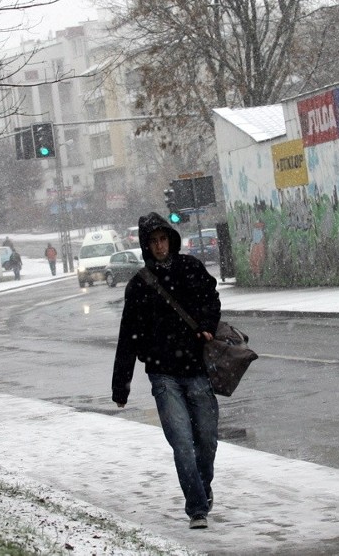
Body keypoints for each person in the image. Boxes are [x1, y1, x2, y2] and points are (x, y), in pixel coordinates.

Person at [111, 212, 221, 530]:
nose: (160, 246)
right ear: (147, 246)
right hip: (162, 374)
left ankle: (202, 485)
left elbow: (210, 300)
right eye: (154, 241)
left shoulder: (191, 269)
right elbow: (127, 338)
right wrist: (121, 387)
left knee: (207, 439)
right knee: (182, 442)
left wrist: (206, 326)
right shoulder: (139, 286)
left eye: (163, 239)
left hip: (196, 367)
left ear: (171, 240)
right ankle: (197, 507)